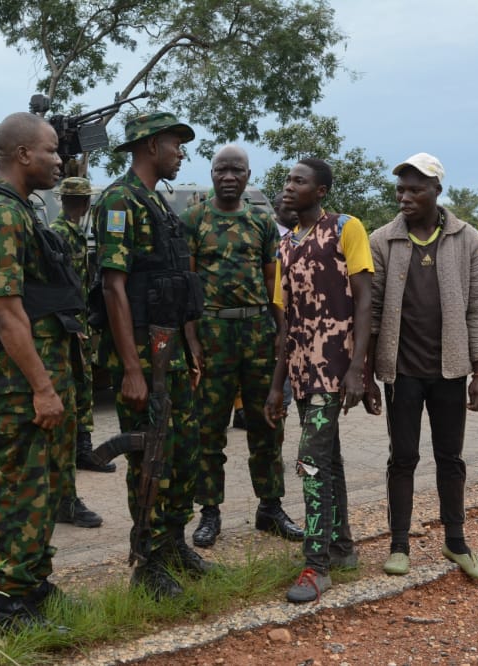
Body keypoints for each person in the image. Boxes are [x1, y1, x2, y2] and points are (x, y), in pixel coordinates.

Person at [0, 112, 81, 631]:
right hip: (15, 382)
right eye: (52, 151)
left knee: (44, 487)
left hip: (32, 375)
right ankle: (9, 607)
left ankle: (34, 583)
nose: (61, 160)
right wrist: (42, 387)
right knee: (21, 489)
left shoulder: (21, 208)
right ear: (23, 155)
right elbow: (5, 311)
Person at [92, 111, 212, 599]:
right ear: (148, 147)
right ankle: (147, 560)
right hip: (144, 352)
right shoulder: (119, 201)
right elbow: (113, 287)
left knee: (181, 453)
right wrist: (132, 369)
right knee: (151, 459)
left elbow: (178, 286)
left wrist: (193, 347)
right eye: (174, 143)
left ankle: (172, 544)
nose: (181, 152)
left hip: (174, 352)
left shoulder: (157, 203)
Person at [369, 153, 478, 580]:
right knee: (402, 457)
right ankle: (399, 544)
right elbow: (369, 312)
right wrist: (369, 374)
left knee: (451, 457)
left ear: (437, 191)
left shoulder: (467, 239)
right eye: (400, 189)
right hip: (401, 371)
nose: (405, 197)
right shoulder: (383, 240)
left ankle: (456, 541)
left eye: (415, 189)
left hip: (451, 370)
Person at [264, 158, 376, 603]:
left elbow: (366, 299)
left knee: (310, 459)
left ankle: (316, 566)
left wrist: (357, 368)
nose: (288, 187)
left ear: (322, 190)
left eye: (299, 181)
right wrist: (277, 386)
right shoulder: (286, 244)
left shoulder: (347, 228)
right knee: (327, 458)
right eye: (287, 180)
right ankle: (342, 546)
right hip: (300, 369)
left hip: (335, 366)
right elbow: (285, 323)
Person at [184, 145, 303, 548]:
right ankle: (210, 513)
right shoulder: (194, 219)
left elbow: (275, 285)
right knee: (209, 428)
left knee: (267, 424)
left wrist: (282, 333)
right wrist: (192, 339)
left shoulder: (261, 221)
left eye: (237, 170)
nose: (229, 176)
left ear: (249, 176)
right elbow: (189, 285)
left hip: (256, 332)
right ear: (212, 173)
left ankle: (270, 508)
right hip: (213, 333)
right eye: (222, 169)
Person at [47, 176, 108, 530]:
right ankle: (77, 457)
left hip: (79, 320)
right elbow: (65, 283)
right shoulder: (60, 234)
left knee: (83, 387)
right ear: (82, 203)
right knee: (76, 391)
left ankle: (82, 449)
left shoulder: (70, 232)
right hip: (72, 325)